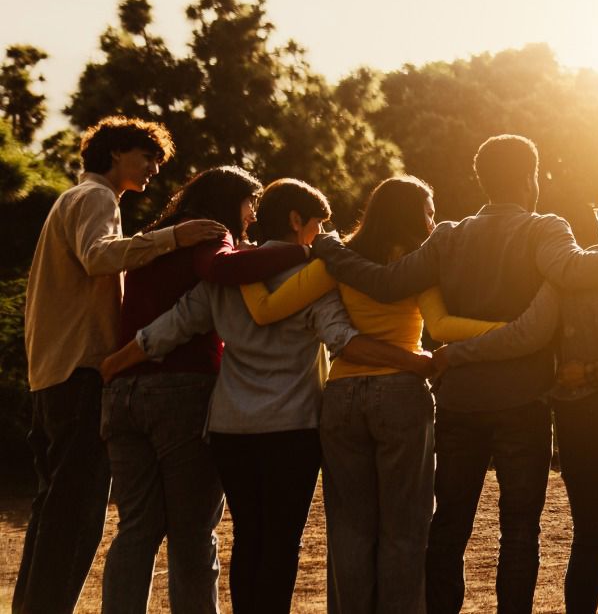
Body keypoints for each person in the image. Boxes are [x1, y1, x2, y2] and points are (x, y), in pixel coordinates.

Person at [308, 135, 598, 613]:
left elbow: (385, 282)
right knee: (519, 529)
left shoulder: (448, 236)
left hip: (459, 402)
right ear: (531, 178)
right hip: (522, 402)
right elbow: (575, 270)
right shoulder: (546, 229)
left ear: (481, 179)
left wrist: (331, 250)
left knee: (451, 523)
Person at [99, 179, 433, 612]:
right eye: (316, 225)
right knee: (280, 542)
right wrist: (418, 361)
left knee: (248, 537)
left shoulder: (230, 274)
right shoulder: (314, 279)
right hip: (291, 427)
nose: (320, 236)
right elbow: (341, 337)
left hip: (230, 426)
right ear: (297, 220)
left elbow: (173, 326)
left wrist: (114, 364)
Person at [234, 175, 501, 613]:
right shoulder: (418, 263)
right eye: (429, 211)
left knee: (350, 528)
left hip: (341, 397)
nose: (433, 220)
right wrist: (506, 332)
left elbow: (268, 309)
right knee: (405, 528)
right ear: (413, 215)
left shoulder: (338, 260)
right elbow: (442, 327)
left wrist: (241, 261)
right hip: (401, 393)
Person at [18, 115, 226, 614]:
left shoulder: (69, 200)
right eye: (147, 156)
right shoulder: (95, 198)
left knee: (52, 513)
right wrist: (174, 238)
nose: (154, 168)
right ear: (115, 154)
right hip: (81, 372)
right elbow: (98, 256)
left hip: (51, 373)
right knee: (77, 516)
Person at [98, 166, 310, 614]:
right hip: (180, 390)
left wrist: (119, 361)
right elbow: (218, 273)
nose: (252, 216)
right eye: (250, 204)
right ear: (230, 201)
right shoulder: (212, 235)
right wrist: (304, 253)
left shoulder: (162, 234)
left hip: (125, 392)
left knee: (135, 527)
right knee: (193, 531)